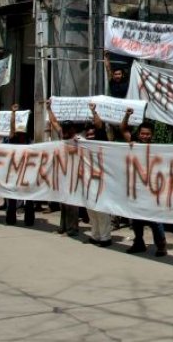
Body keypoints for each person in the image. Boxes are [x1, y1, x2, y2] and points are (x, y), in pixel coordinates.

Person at [120, 108, 168, 257]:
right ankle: (139, 243)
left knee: (155, 219)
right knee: (136, 218)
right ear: (139, 134)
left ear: (152, 135)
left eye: (147, 134)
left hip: (152, 189)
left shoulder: (156, 149)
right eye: (142, 133)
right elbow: (123, 128)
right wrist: (127, 115)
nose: (145, 136)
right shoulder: (134, 145)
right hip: (137, 189)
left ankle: (161, 246)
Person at [46, 99, 81, 236]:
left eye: (67, 129)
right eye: (64, 129)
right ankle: (63, 227)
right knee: (63, 202)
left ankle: (73, 229)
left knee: (72, 203)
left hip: (73, 175)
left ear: (72, 130)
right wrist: (49, 109)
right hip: (62, 174)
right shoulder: (62, 135)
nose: (65, 131)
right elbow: (54, 122)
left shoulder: (78, 140)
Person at [80, 103, 113, 248]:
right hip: (88, 179)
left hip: (101, 179)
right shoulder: (83, 141)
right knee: (90, 208)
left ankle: (105, 237)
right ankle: (95, 235)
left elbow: (99, 125)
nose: (90, 135)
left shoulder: (101, 139)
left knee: (101, 209)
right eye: (88, 133)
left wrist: (94, 112)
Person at [5, 104, 35, 227]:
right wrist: (13, 113)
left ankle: (29, 220)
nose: (21, 135)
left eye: (22, 133)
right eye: (19, 133)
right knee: (12, 196)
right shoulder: (13, 140)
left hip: (27, 173)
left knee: (29, 198)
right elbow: (11, 129)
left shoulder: (30, 143)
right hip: (15, 173)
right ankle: (11, 218)